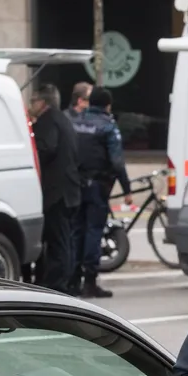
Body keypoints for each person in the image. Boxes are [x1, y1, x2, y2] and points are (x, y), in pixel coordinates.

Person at [68, 86, 132, 298]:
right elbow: (117, 161)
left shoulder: (76, 122)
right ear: (107, 105)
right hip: (97, 186)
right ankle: (90, 282)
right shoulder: (108, 126)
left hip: (76, 185)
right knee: (94, 232)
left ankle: (73, 280)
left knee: (76, 231)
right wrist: (126, 189)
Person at [26, 83, 81, 292]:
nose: (31, 105)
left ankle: (57, 284)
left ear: (43, 102)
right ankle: (65, 280)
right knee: (65, 240)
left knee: (58, 242)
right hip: (69, 190)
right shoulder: (64, 120)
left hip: (56, 193)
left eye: (33, 101)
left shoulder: (48, 122)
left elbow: (46, 148)